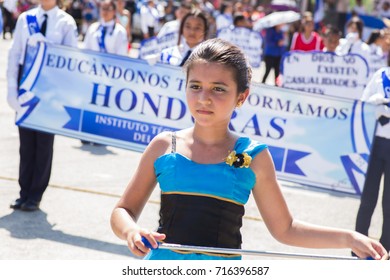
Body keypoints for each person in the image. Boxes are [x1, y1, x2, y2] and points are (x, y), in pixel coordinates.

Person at [110, 38, 389, 260]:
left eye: (218, 89)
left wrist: (349, 238)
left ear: (241, 96)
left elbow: (286, 229)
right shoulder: (163, 146)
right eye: (195, 86)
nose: (204, 98)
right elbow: (123, 209)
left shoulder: (254, 155)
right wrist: (130, 230)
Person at [7, 0, 78, 211]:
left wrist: (48, 47)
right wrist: (12, 87)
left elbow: (71, 58)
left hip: (51, 91)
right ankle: (23, 192)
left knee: (44, 145)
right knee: (26, 143)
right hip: (27, 87)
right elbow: (15, 54)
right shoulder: (25, 18)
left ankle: (35, 195)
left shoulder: (66, 22)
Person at [354, 65, 390, 253]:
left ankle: (386, 252)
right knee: (367, 199)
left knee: (389, 203)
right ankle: (358, 249)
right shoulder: (381, 75)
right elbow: (363, 102)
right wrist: (372, 105)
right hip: (375, 144)